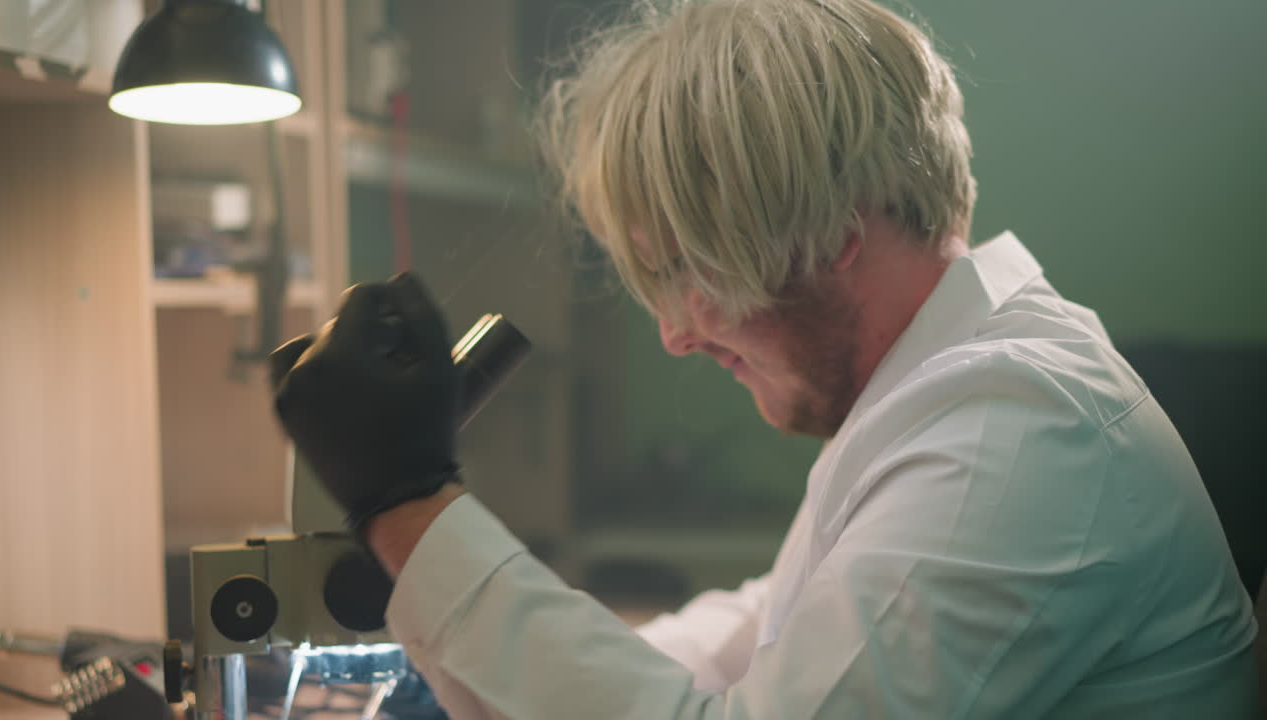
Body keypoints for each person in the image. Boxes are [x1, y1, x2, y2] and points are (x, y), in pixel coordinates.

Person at [269, 0, 1260, 716]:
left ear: (833, 234)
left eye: (688, 273)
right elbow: (759, 636)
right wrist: (439, 674)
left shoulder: (1014, 432)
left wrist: (408, 503)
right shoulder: (946, 389)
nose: (675, 333)